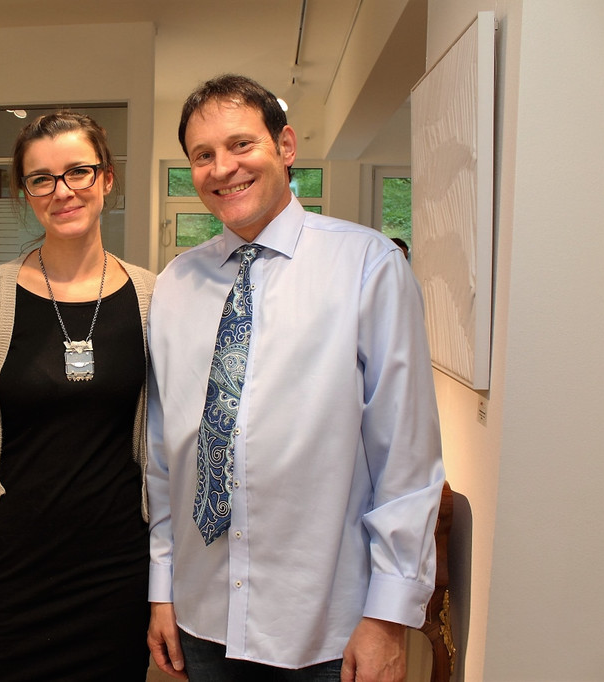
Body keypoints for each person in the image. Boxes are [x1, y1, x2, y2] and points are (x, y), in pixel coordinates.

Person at [146, 74, 444, 681]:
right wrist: (162, 587)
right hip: (203, 614)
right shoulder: (176, 285)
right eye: (203, 155)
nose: (222, 168)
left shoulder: (367, 266)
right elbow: (164, 454)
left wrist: (388, 617)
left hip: (327, 625)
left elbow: (405, 458)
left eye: (241, 144)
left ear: (285, 146)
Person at [0, 111, 156, 682]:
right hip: (11, 571)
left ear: (106, 178)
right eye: (42, 179)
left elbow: (170, 450)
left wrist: (167, 585)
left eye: (78, 171)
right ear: (25, 193)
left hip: (116, 572)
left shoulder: (154, 298)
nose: (63, 191)